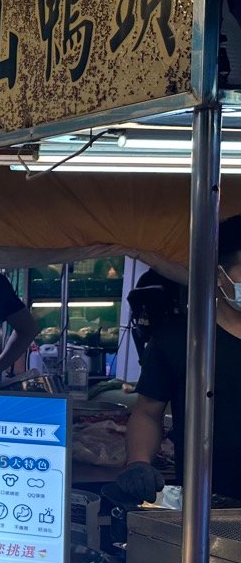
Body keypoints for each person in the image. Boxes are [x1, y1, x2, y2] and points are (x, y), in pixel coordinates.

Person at [117, 215, 241, 503]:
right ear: (219, 275)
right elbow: (148, 412)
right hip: (206, 503)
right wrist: (138, 462)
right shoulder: (179, 340)